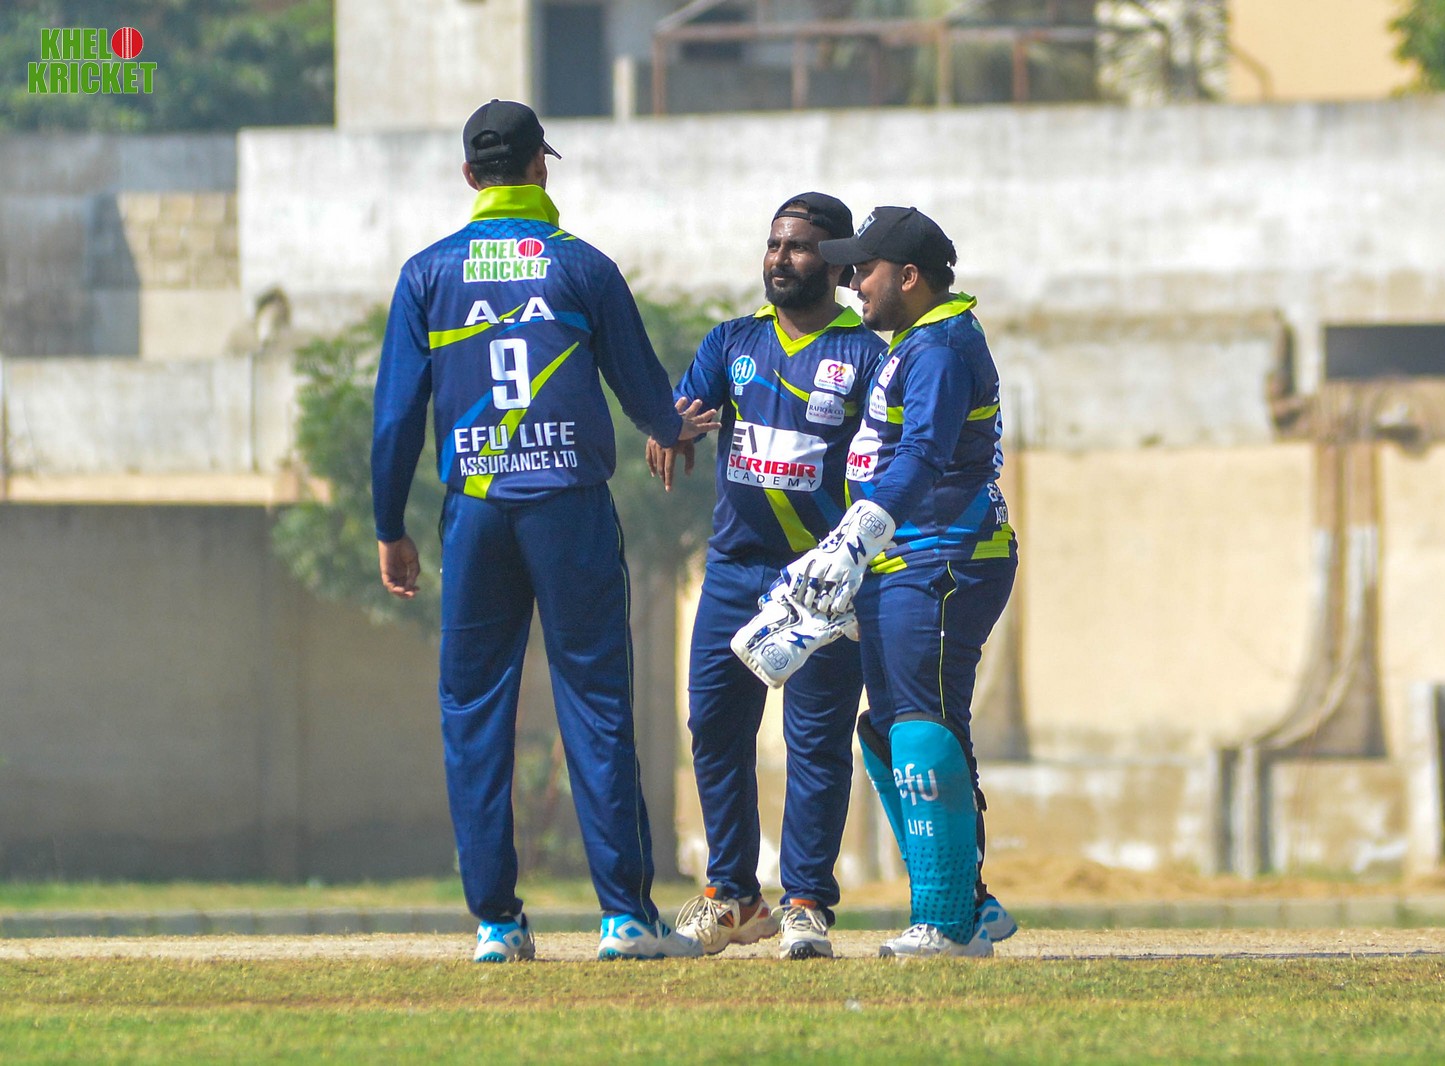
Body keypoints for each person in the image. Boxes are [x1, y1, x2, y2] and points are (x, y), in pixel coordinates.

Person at [370, 99, 717, 963]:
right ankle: (625, 918)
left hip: (476, 513)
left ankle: (496, 923)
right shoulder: (582, 267)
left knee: (473, 709)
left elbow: (396, 419)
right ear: (540, 167)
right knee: (594, 700)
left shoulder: (426, 275)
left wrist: (389, 525)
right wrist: (672, 426)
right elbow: (644, 389)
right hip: (569, 509)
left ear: (468, 175)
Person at [646, 193, 885, 959]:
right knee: (715, 726)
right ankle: (733, 896)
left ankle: (806, 902)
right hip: (734, 569)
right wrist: (671, 427)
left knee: (814, 740)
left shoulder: (868, 355)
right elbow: (684, 406)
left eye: (800, 246)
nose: (781, 258)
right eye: (775, 244)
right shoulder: (733, 341)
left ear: (837, 262)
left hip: (821, 580)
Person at [785, 206, 1019, 958]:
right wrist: (853, 553)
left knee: (922, 726)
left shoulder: (941, 349)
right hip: (905, 559)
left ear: (908, 276)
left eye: (864, 270)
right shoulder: (918, 341)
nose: (851, 283)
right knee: (890, 732)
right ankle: (970, 907)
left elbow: (922, 452)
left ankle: (945, 922)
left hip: (944, 558)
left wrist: (856, 536)